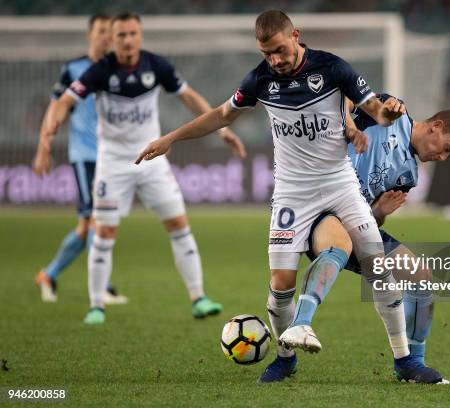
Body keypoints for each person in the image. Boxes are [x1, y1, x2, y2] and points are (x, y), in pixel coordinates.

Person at [135, 10, 412, 384]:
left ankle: (404, 360)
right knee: (282, 283)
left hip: (339, 182)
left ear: (295, 35)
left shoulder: (333, 68)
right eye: (267, 54)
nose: (275, 60)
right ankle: (285, 359)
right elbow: (220, 115)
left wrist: (388, 112)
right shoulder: (260, 79)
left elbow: (375, 109)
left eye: (280, 50)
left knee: (378, 267)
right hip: (292, 192)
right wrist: (170, 138)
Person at [43, 12, 246, 325]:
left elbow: (188, 97)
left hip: (152, 160)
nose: (127, 40)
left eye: (132, 33)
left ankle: (199, 298)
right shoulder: (101, 70)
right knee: (104, 232)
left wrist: (222, 130)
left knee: (179, 224)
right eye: (121, 35)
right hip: (112, 163)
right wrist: (52, 125)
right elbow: (65, 100)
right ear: (113, 38)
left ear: (140, 35)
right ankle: (97, 305)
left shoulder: (156, 65)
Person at [300, 94, 450, 383]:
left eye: (449, 156)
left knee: (421, 277)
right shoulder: (390, 111)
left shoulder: (409, 176)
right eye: (446, 148)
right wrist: (351, 126)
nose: (442, 158)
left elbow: (371, 220)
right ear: (436, 126)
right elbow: (341, 97)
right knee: (282, 280)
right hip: (320, 210)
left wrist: (378, 211)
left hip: (356, 224)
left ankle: (411, 364)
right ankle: (296, 333)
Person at [33, 14, 127, 305]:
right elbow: (56, 106)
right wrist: (43, 145)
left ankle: (49, 275)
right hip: (85, 155)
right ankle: (103, 286)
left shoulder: (117, 69)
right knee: (93, 219)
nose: (106, 37)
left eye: (109, 32)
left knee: (89, 225)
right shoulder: (73, 68)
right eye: (101, 31)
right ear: (90, 34)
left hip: (110, 156)